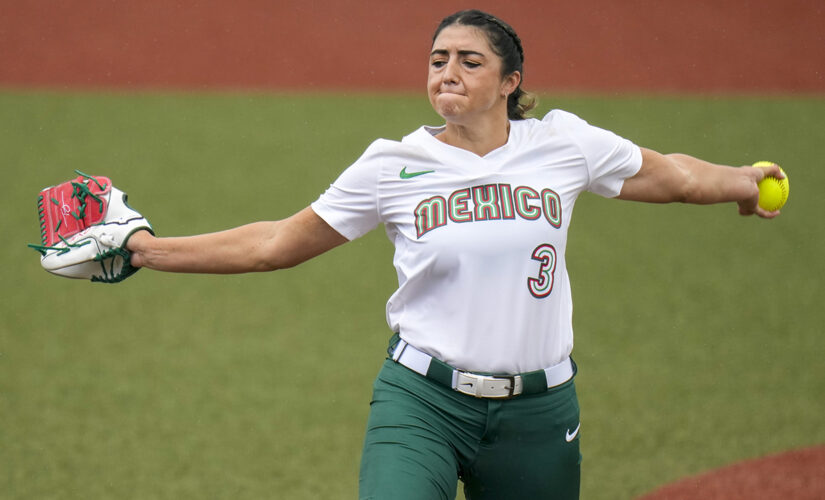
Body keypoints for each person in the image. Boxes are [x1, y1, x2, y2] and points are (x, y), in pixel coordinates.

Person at [126, 9, 783, 500]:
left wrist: (743, 181)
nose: (448, 72)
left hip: (538, 411)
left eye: (469, 61)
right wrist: (146, 251)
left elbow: (671, 177)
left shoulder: (562, 145)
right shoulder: (393, 164)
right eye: (438, 59)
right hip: (421, 401)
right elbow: (274, 244)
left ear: (509, 81)